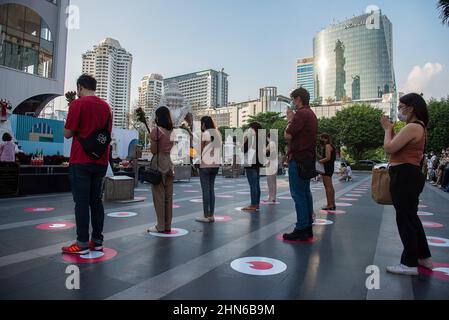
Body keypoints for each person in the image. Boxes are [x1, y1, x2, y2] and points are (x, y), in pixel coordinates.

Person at [380, 93, 433, 276]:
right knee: (411, 217)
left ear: (411, 108)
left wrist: (387, 129)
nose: (399, 110)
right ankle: (423, 256)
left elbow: (389, 148)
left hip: (404, 176)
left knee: (405, 219)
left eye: (401, 107)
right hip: (409, 175)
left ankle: (409, 262)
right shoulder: (419, 127)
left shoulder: (412, 127)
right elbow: (397, 145)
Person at [62, 74, 112, 255]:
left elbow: (67, 133)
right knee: (96, 201)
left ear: (80, 87)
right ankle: (97, 240)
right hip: (100, 160)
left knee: (81, 202)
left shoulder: (78, 104)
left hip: (81, 160)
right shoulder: (107, 107)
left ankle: (81, 243)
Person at [283, 88, 318, 241]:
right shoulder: (311, 114)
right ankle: (308, 225)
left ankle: (302, 227)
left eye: (293, 99)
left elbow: (288, 135)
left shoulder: (301, 114)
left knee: (298, 194)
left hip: (298, 159)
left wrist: (290, 120)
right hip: (307, 158)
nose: (292, 103)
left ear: (298, 99)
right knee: (305, 192)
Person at [147, 106, 175, 233]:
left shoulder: (156, 131)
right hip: (169, 162)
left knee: (159, 196)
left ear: (158, 117)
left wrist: (151, 139)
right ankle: (167, 225)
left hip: (158, 162)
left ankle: (160, 226)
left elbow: (153, 150)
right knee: (168, 197)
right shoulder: (172, 131)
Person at [196, 116, 222, 223]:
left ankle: (205, 215)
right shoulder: (218, 134)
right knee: (211, 189)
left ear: (204, 124)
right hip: (215, 165)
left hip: (205, 165)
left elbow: (200, 150)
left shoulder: (205, 133)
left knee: (205, 190)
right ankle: (211, 215)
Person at [242, 122, 263, 212]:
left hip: (250, 163)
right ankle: (256, 203)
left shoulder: (251, 136)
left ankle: (253, 204)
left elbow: (244, 149)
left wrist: (244, 140)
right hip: (257, 163)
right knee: (257, 184)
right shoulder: (260, 137)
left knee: (253, 185)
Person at [319, 133, 336, 211]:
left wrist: (319, 162)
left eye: (321, 139)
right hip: (329, 167)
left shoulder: (327, 146)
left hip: (327, 168)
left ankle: (330, 204)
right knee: (330, 186)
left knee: (327, 186)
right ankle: (332, 203)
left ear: (325, 138)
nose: (320, 140)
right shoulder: (331, 146)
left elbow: (327, 158)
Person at [265, 132, 278, 203]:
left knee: (270, 182)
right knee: (274, 182)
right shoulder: (275, 144)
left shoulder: (270, 143)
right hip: (274, 164)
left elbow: (265, 152)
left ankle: (270, 197)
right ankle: (274, 197)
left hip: (270, 164)